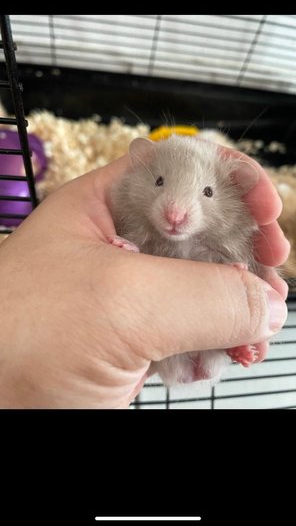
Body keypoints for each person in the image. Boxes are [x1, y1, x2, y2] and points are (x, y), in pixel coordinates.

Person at [0, 144, 289, 408]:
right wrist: (129, 249)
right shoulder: (126, 218)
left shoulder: (233, 235)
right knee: (176, 361)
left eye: (208, 192)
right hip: (165, 357)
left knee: (215, 352)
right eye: (160, 182)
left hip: (202, 350)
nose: (176, 213)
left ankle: (231, 344)